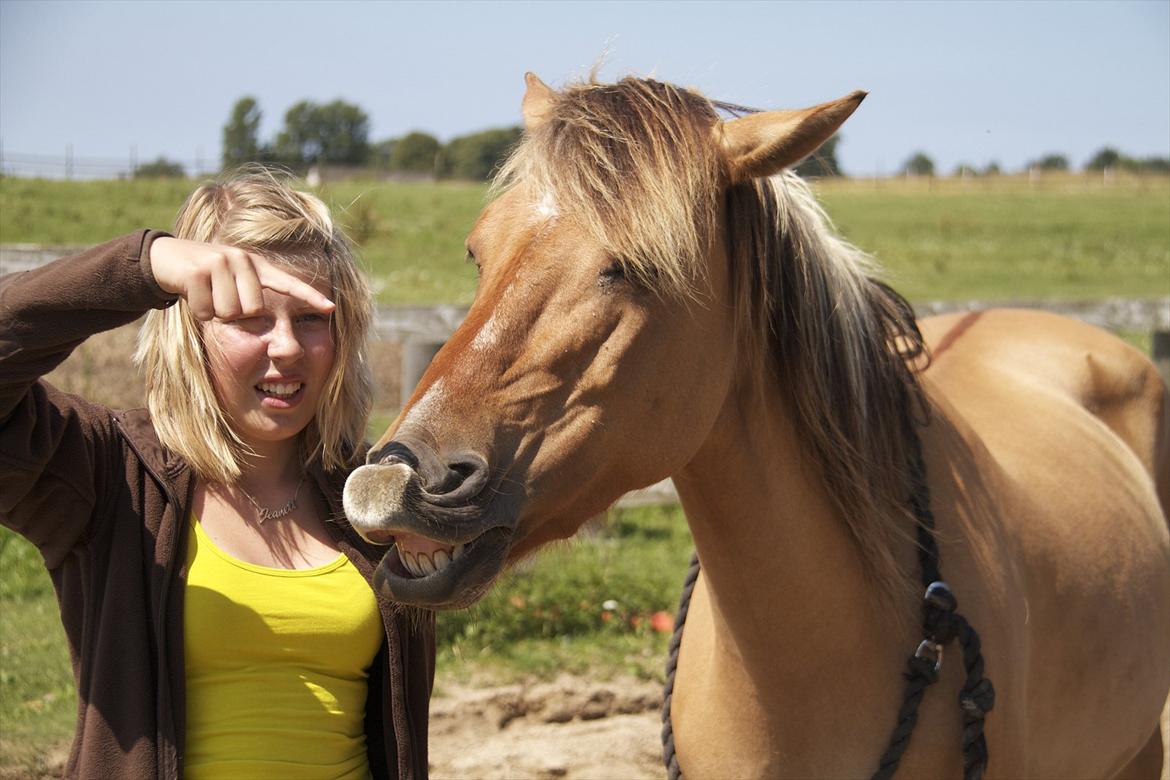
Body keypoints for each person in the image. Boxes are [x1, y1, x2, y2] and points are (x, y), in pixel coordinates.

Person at [0, 168, 433, 779]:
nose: (285, 346)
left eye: (310, 318)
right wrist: (143, 265)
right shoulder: (108, 473)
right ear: (189, 327)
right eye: (248, 315)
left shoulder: (367, 493)